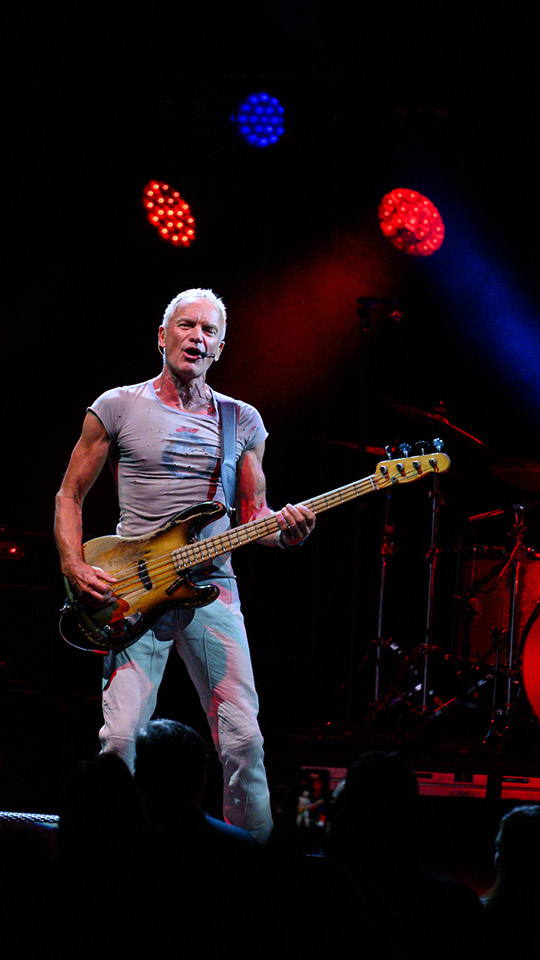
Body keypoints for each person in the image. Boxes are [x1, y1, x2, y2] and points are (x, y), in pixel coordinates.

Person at [54, 287, 314, 843]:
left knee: (244, 740)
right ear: (162, 335)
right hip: (133, 588)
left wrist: (285, 532)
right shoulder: (118, 405)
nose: (197, 337)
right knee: (120, 740)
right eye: (186, 325)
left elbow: (254, 517)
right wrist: (75, 567)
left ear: (220, 347)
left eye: (209, 331)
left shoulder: (240, 420)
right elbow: (69, 495)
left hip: (211, 589)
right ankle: (106, 859)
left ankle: (256, 868)